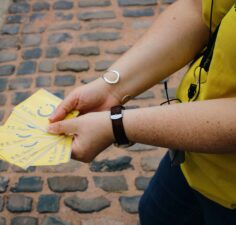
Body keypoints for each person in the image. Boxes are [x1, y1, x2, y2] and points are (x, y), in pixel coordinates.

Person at [48, 0, 236, 224]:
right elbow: (199, 10)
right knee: (155, 214)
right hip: (192, 155)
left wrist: (116, 125)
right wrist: (110, 89)